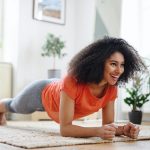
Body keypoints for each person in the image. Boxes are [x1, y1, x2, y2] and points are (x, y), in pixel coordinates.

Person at [0, 37, 144, 139]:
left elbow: (107, 127)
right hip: (42, 92)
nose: (119, 70)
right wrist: (96, 131)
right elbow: (65, 129)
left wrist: (123, 130)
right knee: (13, 106)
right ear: (99, 62)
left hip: (59, 93)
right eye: (113, 64)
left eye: (122, 65)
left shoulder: (111, 87)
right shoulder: (72, 81)